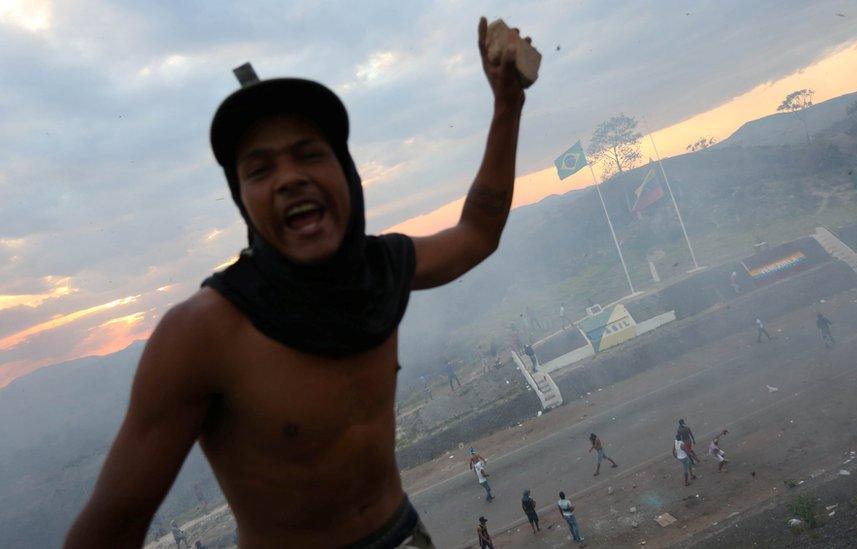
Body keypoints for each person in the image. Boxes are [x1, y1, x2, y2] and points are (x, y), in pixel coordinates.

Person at [65, 18, 532, 548]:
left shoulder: (382, 269)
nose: (289, 177)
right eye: (259, 169)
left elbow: (477, 232)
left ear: (347, 173)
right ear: (243, 201)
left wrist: (507, 106)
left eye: (309, 153)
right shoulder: (202, 335)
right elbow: (109, 528)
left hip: (405, 534)